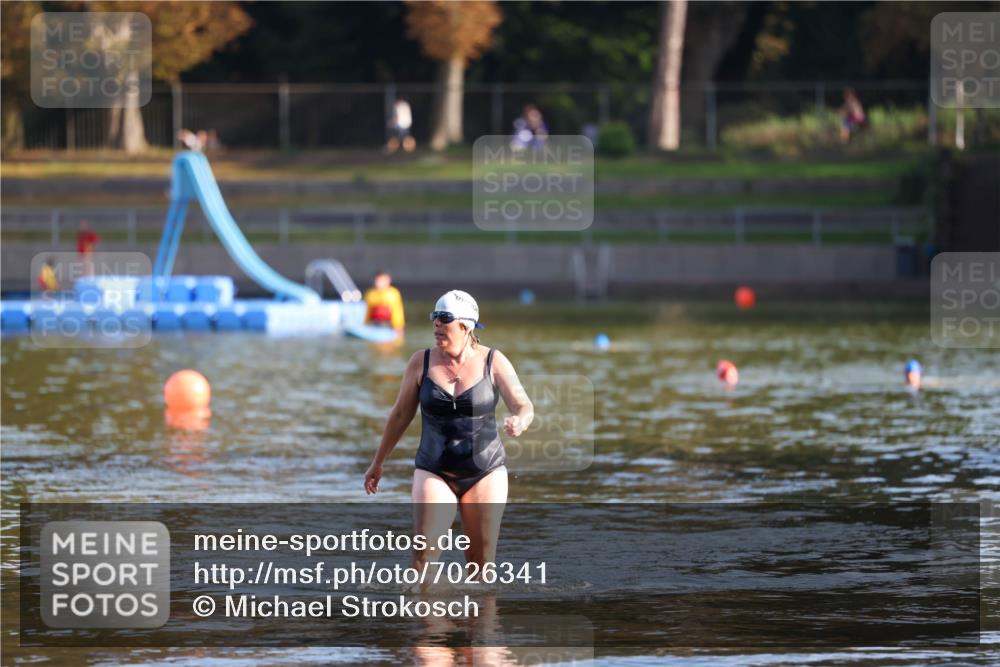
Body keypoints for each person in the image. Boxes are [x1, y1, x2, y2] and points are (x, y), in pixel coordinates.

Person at [364, 290, 534, 573]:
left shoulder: (494, 361)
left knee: (480, 567)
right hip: (434, 470)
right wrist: (378, 462)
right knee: (422, 560)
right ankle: (427, 615)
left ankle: (480, 617)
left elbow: (524, 405)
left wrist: (520, 420)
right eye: (434, 317)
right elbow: (400, 414)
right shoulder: (421, 362)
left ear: (466, 326)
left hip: (485, 471)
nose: (436, 325)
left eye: (444, 318)